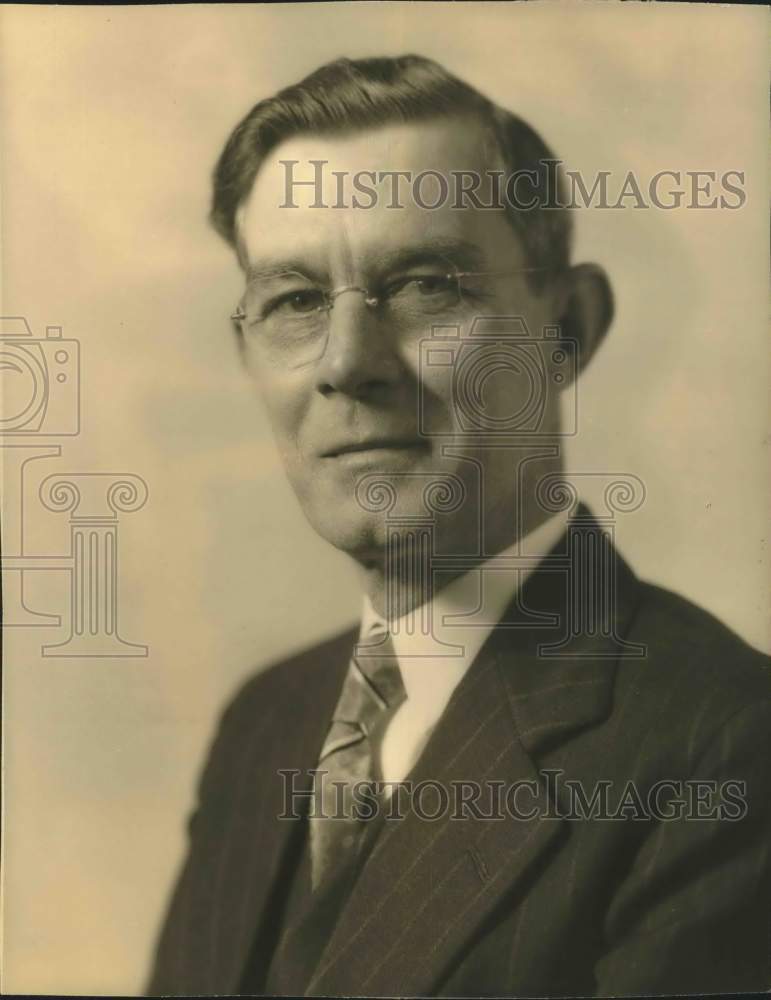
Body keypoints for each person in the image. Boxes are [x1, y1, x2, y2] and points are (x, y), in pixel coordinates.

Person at [145, 55, 770, 997]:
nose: (347, 364)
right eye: (295, 301)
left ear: (567, 330)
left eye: (426, 284)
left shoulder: (724, 744)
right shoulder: (267, 720)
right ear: (248, 349)